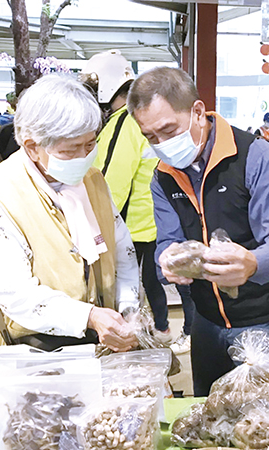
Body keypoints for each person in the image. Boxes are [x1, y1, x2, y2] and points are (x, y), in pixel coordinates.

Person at [127, 67, 269, 396]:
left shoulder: (255, 156)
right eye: (150, 137)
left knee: (258, 417)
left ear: (197, 112)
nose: (162, 145)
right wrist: (167, 260)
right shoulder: (164, 176)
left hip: (264, 316)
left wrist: (253, 262)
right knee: (207, 411)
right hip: (205, 318)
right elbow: (167, 239)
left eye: (169, 130)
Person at [0, 74, 140, 396]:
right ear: (32, 146)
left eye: (91, 144)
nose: (85, 156)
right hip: (29, 354)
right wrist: (90, 316)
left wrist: (127, 310)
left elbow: (121, 250)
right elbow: (16, 295)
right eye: (71, 149)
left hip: (91, 344)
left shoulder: (92, 180)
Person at [81, 50, 195, 350]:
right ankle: (166, 329)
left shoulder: (122, 124)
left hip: (138, 225)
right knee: (165, 279)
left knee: (161, 280)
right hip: (152, 220)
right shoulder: (132, 121)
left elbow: (110, 185)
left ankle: (167, 330)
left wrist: (97, 225)